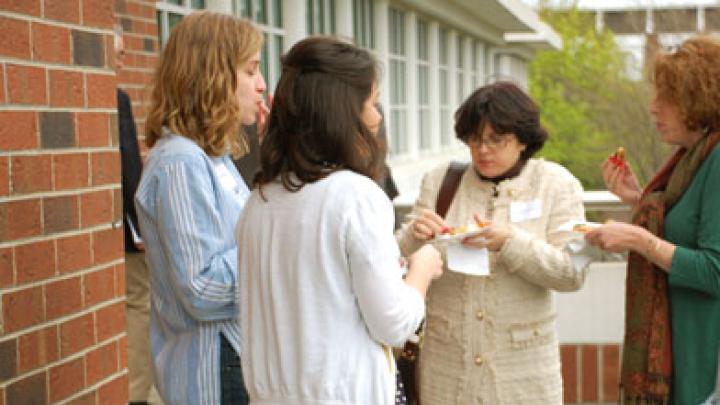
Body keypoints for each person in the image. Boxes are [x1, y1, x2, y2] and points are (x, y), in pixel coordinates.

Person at [235, 36, 443, 405]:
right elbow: (393, 322)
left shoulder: (260, 202)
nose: (378, 117)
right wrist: (422, 272)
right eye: (372, 102)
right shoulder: (355, 197)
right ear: (344, 112)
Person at [396, 81, 588, 404]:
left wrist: (510, 242)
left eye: (496, 140)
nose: (483, 150)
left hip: (524, 372)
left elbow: (572, 273)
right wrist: (413, 236)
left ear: (523, 140)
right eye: (474, 140)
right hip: (446, 367)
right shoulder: (441, 182)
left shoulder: (556, 184)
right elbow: (395, 258)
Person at [134, 11, 267, 405]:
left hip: (236, 355)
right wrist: (276, 250)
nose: (261, 86)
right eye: (250, 70)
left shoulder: (213, 157)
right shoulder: (180, 162)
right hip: (213, 369)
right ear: (212, 75)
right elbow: (203, 289)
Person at [585, 36, 720, 404]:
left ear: (698, 98)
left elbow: (715, 270)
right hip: (684, 350)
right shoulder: (691, 158)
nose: (653, 108)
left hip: (703, 360)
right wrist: (636, 198)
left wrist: (638, 241)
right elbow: (685, 228)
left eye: (665, 98)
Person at [114, 24, 156, 405]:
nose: (124, 59)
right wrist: (140, 226)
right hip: (126, 231)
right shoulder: (117, 98)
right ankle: (137, 392)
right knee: (138, 304)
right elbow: (127, 167)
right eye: (121, 52)